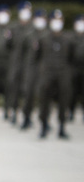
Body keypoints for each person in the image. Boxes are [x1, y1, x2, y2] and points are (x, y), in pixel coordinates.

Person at [35, 10, 73, 140]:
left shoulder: (68, 39)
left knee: (63, 101)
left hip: (63, 73)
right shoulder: (43, 38)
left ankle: (62, 127)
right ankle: (44, 126)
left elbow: (71, 57)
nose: (57, 23)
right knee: (44, 101)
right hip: (47, 72)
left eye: (59, 20)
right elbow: (37, 56)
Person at [19, 9, 49, 130]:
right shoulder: (28, 36)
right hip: (30, 68)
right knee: (28, 94)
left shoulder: (49, 35)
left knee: (44, 96)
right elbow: (22, 52)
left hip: (45, 69)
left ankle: (44, 120)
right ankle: (26, 118)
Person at [7, 1, 35, 127]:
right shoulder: (13, 28)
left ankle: (27, 115)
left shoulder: (34, 28)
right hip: (15, 63)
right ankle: (13, 112)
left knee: (28, 90)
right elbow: (7, 45)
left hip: (29, 64)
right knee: (14, 89)